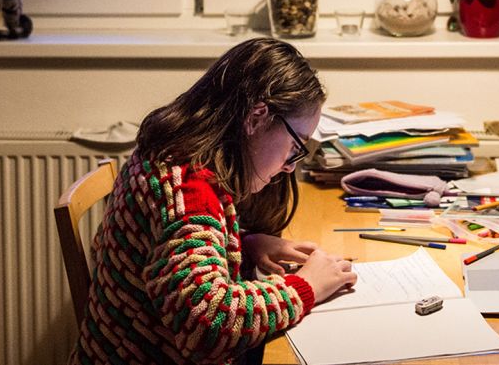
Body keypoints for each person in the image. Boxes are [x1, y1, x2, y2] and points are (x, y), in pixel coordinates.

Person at [70, 37, 358, 365]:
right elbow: (209, 324)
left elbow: (177, 253)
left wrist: (246, 243)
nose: (291, 165)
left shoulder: (170, 154)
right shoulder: (189, 194)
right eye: (295, 146)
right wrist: (304, 288)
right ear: (256, 118)